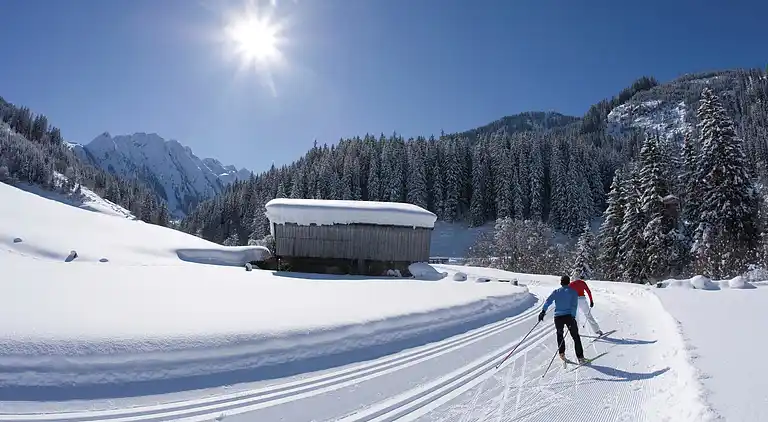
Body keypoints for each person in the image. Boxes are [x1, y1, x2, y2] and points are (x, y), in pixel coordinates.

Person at [538, 275, 585, 363]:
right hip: (569, 316)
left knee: (560, 334)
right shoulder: (573, 292)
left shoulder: (556, 292)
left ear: (561, 282)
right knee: (575, 336)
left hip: (558, 317)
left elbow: (548, 301)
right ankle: (580, 357)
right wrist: (573, 316)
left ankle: (561, 353)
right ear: (569, 282)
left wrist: (543, 312)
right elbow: (574, 305)